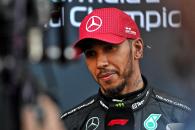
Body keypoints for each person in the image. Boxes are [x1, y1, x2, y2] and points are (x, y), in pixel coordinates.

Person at [61, 7, 191, 130]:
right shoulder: (68, 124)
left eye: (110, 48)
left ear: (138, 49)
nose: (100, 63)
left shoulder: (181, 117)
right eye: (91, 53)